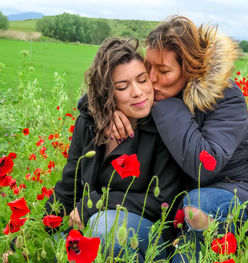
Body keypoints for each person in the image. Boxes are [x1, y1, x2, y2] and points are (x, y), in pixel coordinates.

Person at [108, 16, 248, 262]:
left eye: (163, 71)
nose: (151, 79)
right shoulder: (157, 91)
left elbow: (204, 165)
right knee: (113, 232)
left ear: (191, 69)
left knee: (197, 204)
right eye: (148, 67)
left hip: (234, 192)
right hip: (171, 205)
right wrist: (107, 110)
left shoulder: (226, 98)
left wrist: (167, 107)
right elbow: (103, 95)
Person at [43, 37, 183, 262]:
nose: (138, 92)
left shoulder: (164, 129)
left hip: (149, 234)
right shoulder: (89, 124)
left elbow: (162, 202)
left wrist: (97, 204)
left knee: (103, 227)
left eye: (142, 79)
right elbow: (68, 188)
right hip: (93, 227)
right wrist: (34, 234)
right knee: (51, 248)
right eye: (123, 86)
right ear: (107, 93)